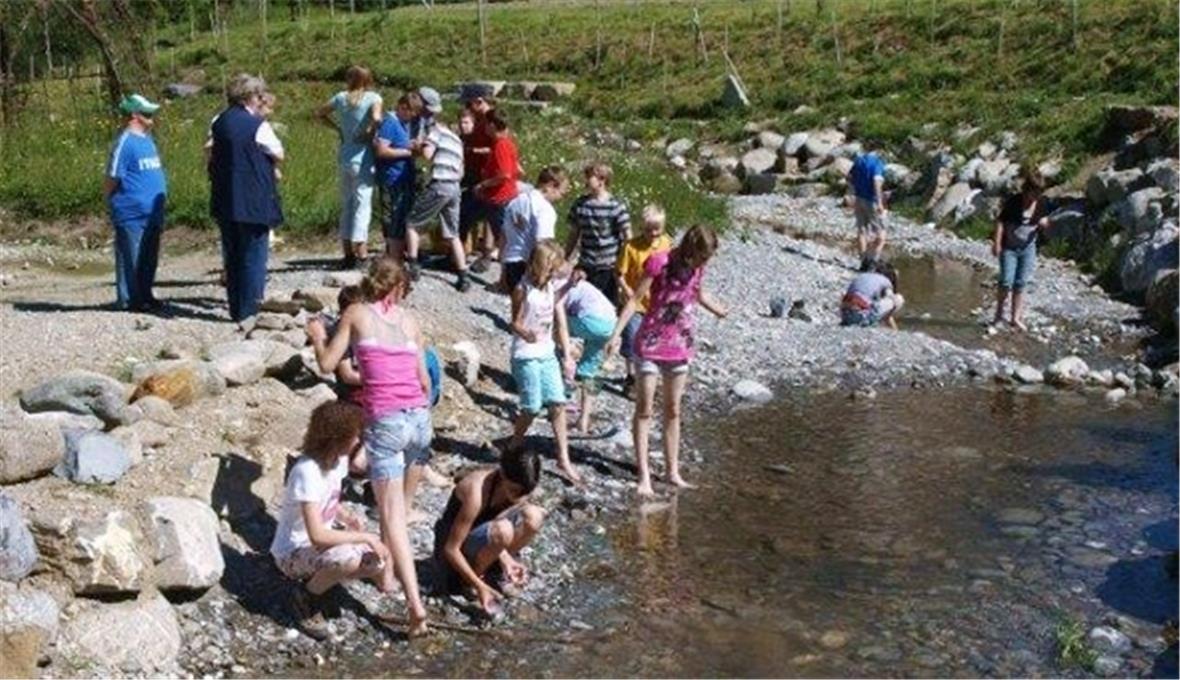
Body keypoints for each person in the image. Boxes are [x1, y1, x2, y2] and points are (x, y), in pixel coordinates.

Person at [306, 256, 430, 636]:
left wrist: (316, 336)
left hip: (386, 421)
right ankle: (387, 576)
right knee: (399, 510)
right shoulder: (410, 321)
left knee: (391, 516)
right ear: (398, 288)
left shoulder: (356, 313)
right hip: (420, 420)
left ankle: (415, 607)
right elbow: (424, 379)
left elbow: (328, 364)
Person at [606, 225, 728, 497]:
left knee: (673, 410)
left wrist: (717, 308)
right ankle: (644, 476)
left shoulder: (698, 268)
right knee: (645, 409)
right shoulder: (659, 261)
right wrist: (615, 335)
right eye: (703, 257)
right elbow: (636, 299)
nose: (704, 262)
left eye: (707, 258)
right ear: (691, 248)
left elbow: (697, 293)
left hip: (680, 345)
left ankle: (673, 472)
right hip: (650, 344)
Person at [270, 400, 393, 640]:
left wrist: (345, 516)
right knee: (349, 558)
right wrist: (364, 536)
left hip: (319, 543)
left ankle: (322, 581)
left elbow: (328, 501)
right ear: (336, 437)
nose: (359, 441)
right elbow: (317, 535)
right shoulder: (307, 471)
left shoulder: (339, 462)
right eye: (354, 436)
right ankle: (305, 598)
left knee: (375, 561)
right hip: (292, 551)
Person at [432, 447, 546, 616]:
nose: (519, 497)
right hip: (452, 551)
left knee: (534, 516)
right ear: (502, 474)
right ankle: (470, 582)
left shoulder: (519, 488)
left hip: (483, 539)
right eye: (514, 491)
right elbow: (451, 549)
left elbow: (490, 525)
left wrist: (507, 559)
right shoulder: (476, 491)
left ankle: (494, 571)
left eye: (525, 492)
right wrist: (480, 587)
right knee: (503, 530)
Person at [209, 73, 285, 323]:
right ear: (250, 97)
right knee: (254, 255)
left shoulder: (218, 121)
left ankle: (235, 307)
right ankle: (251, 310)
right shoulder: (257, 125)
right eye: (258, 95)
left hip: (225, 195)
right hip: (253, 198)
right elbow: (278, 152)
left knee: (232, 254)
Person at [508, 241, 580, 485]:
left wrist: (570, 284)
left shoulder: (549, 286)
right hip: (526, 354)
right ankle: (514, 443)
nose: (552, 274)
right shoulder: (522, 289)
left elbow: (554, 299)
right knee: (531, 406)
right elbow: (514, 322)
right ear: (540, 266)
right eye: (550, 269)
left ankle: (563, 456)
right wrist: (524, 332)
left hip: (547, 352)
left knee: (558, 402)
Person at [403, 90, 471, 291]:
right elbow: (461, 170)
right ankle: (463, 275)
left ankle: (413, 265)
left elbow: (427, 153)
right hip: (454, 188)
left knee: (412, 223)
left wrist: (417, 147)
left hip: (439, 184)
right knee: (452, 233)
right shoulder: (457, 140)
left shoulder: (436, 132)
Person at [104, 93, 167, 312]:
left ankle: (146, 294)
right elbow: (112, 177)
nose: (152, 117)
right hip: (131, 210)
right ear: (134, 116)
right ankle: (129, 299)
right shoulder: (125, 142)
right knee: (131, 256)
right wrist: (111, 202)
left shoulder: (147, 140)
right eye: (147, 113)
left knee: (149, 256)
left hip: (153, 210)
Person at [316, 65, 383, 269]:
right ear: (368, 79)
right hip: (363, 158)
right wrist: (370, 131)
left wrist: (337, 128)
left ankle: (347, 253)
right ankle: (361, 252)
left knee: (347, 205)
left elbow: (319, 113)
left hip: (345, 156)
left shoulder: (340, 97)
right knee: (362, 206)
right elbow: (378, 118)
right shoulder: (373, 98)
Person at [616, 204, 674, 397]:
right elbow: (620, 274)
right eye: (649, 230)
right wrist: (628, 291)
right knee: (632, 337)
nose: (653, 234)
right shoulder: (631, 247)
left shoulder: (667, 243)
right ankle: (631, 376)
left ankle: (649, 375)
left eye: (657, 230)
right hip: (635, 301)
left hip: (657, 302)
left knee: (652, 339)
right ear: (642, 227)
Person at [555, 262, 618, 434]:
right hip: (610, 324)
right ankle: (584, 420)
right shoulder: (585, 286)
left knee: (554, 326)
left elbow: (558, 317)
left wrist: (565, 348)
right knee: (590, 371)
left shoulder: (559, 285)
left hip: (591, 321)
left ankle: (563, 390)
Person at [993, 165, 1051, 331]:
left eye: (1038, 194)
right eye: (1033, 193)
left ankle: (1015, 318)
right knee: (1006, 281)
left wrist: (1045, 224)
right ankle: (998, 314)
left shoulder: (1041, 203)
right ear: (1026, 190)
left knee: (1020, 283)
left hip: (1028, 248)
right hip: (1009, 248)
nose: (1035, 197)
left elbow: (1046, 221)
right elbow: (1001, 222)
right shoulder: (1014, 202)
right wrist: (996, 243)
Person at [565, 163, 631, 305]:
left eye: (590, 177)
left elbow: (627, 236)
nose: (586, 180)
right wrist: (566, 257)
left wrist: (626, 262)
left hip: (609, 265)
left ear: (602, 180)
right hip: (586, 263)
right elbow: (574, 234)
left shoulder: (616, 205)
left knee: (607, 303)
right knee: (585, 301)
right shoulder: (580, 204)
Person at [500, 166, 571, 293]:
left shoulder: (515, 201)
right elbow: (543, 245)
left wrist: (503, 268)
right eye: (562, 193)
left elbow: (504, 235)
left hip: (511, 261)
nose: (560, 198)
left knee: (515, 307)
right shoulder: (545, 209)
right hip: (530, 265)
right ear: (552, 185)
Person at [372, 92, 421, 266]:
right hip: (392, 177)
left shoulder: (403, 123)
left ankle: (399, 250)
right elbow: (382, 150)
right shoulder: (390, 122)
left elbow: (398, 143)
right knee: (393, 215)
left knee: (402, 215)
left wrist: (410, 144)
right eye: (411, 112)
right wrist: (408, 152)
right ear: (402, 108)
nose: (413, 117)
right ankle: (392, 253)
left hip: (403, 176)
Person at [474, 109, 520, 271]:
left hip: (500, 198)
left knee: (503, 240)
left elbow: (504, 174)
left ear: (493, 125)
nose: (484, 127)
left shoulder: (501, 145)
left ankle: (506, 278)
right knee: (504, 239)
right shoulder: (506, 143)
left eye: (487, 123)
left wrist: (483, 184)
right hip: (504, 197)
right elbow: (517, 170)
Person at [459, 85, 497, 271]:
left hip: (486, 173)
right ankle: (460, 251)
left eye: (470, 102)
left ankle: (487, 254)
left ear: (479, 101)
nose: (468, 106)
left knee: (489, 214)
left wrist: (474, 150)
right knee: (465, 211)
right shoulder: (477, 118)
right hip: (471, 170)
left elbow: (497, 147)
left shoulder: (492, 119)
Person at [848, 143, 888, 270]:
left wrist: (853, 191)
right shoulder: (877, 162)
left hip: (859, 199)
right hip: (872, 201)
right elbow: (876, 182)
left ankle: (863, 261)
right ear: (878, 150)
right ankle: (873, 261)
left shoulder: (858, 161)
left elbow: (849, 177)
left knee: (862, 231)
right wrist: (880, 202)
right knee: (881, 234)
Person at [840, 261, 905, 330]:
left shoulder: (863, 276)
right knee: (898, 298)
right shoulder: (886, 282)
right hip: (861, 317)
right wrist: (894, 329)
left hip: (845, 316)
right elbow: (889, 305)